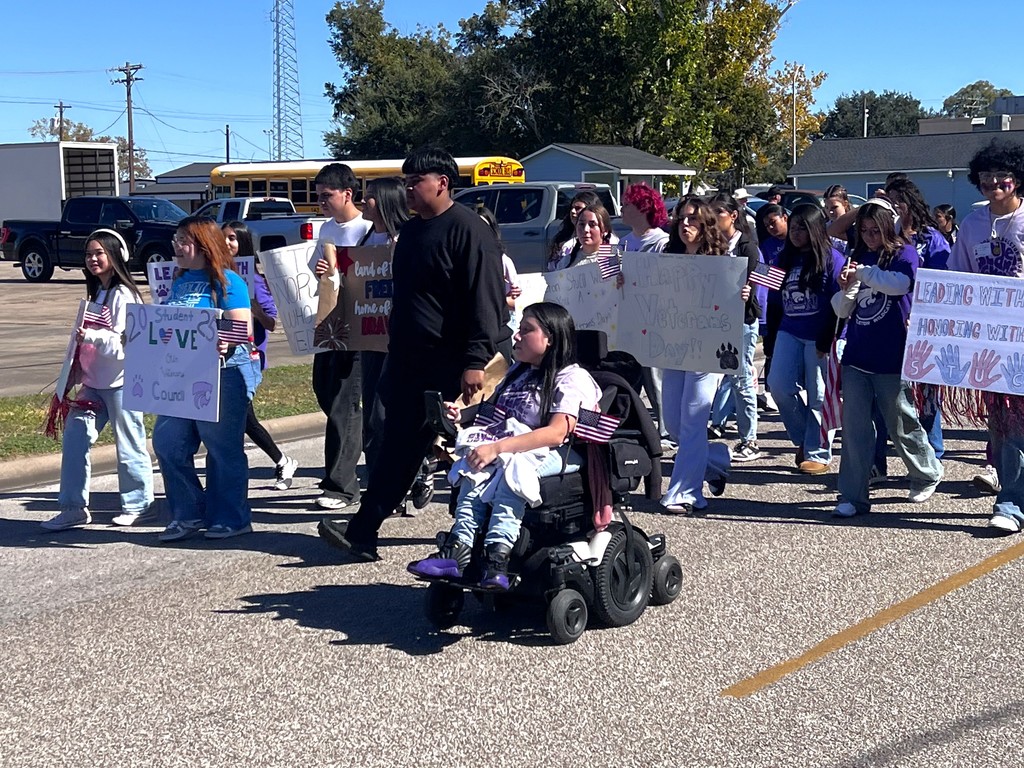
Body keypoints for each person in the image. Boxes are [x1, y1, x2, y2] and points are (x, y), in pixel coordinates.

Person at [318, 146, 508, 562]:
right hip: (409, 361)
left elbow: (486, 301)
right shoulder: (413, 234)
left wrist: (476, 361)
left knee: (478, 450)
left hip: (456, 365)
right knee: (398, 446)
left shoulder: (469, 230)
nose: (407, 189)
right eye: (405, 181)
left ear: (442, 183)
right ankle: (362, 532)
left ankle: (489, 536)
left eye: (414, 181)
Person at [407, 302, 601, 589]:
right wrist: (461, 414)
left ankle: (497, 558)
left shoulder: (572, 379)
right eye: (518, 330)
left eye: (526, 331)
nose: (516, 336)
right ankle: (458, 551)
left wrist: (498, 449)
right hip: (512, 444)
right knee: (473, 469)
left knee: (512, 471)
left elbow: (557, 433)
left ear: (551, 339)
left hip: (560, 451)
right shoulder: (519, 372)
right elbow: (492, 410)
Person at [830, 200, 942, 518]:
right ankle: (853, 495)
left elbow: (900, 285)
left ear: (888, 227)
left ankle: (926, 472)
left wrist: (863, 273)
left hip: (893, 354)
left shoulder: (904, 253)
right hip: (856, 354)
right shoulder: (859, 257)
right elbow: (841, 310)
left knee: (900, 421)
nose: (868, 236)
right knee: (854, 428)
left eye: (874, 230)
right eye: (863, 231)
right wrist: (845, 286)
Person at [153, 217, 262, 540]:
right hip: (179, 375)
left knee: (222, 448)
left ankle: (231, 517)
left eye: (182, 241)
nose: (176, 246)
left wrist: (224, 337)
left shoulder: (228, 282)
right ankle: (187, 513)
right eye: (175, 240)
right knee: (168, 443)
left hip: (223, 373)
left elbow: (245, 328)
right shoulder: (180, 281)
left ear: (202, 245)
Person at [42, 229, 155, 531]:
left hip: (121, 382)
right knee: (76, 439)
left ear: (115, 255)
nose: (92, 259)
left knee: (129, 444)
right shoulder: (99, 293)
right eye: (89, 254)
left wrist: (90, 335)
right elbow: (90, 344)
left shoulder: (123, 294)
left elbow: (123, 343)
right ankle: (73, 507)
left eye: (99, 253)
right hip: (93, 383)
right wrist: (73, 372)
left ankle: (138, 505)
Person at [948, 140, 1024, 532]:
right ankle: (1011, 501)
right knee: (1005, 420)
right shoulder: (972, 224)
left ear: (1017, 179)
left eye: (1002, 177)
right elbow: (957, 277)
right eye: (984, 178)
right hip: (991, 339)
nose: (993, 184)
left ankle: (1013, 499)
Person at [659, 197, 731, 514]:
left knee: (692, 423)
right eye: (681, 219)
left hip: (708, 348)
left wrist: (742, 294)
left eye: (693, 219)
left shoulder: (721, 261)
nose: (686, 224)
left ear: (705, 224)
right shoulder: (667, 258)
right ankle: (715, 459)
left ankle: (686, 493)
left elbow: (740, 307)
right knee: (675, 426)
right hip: (674, 347)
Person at [310, 163, 373, 511]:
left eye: (327, 195)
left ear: (348, 193)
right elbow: (319, 273)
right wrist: (320, 268)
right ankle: (366, 458)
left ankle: (342, 486)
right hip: (330, 325)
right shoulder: (325, 230)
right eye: (318, 195)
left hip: (361, 329)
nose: (321, 201)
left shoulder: (367, 227)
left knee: (344, 403)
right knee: (324, 390)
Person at [765, 205, 845, 475]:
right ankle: (804, 439)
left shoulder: (833, 259)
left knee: (819, 396)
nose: (796, 233)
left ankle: (818, 452)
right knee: (778, 386)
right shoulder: (782, 259)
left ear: (815, 229)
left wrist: (827, 339)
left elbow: (841, 304)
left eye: (803, 227)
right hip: (789, 330)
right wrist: (771, 339)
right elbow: (774, 302)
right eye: (794, 227)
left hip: (822, 335)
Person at [223, 221, 299, 491]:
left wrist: (252, 308)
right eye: (223, 239)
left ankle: (280, 461)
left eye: (232, 238)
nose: (227, 243)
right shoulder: (219, 277)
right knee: (241, 419)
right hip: (223, 357)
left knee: (242, 419)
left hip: (249, 358)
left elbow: (271, 324)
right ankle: (280, 460)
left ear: (243, 243)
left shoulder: (256, 280)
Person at [707, 192, 762, 462]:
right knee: (726, 377)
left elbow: (756, 281)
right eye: (711, 212)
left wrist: (748, 292)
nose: (714, 218)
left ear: (733, 216)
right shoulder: (713, 246)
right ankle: (719, 422)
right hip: (718, 319)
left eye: (719, 212)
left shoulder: (747, 246)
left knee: (741, 380)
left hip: (742, 321)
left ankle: (750, 438)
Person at [619, 182, 672, 448]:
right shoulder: (623, 243)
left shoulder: (662, 243)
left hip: (653, 322)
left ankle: (666, 430)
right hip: (629, 321)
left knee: (656, 380)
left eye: (627, 205)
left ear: (642, 209)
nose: (621, 209)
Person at [546, 190, 603, 271]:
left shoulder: (608, 242)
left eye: (578, 208)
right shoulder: (563, 238)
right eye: (571, 208)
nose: (572, 211)